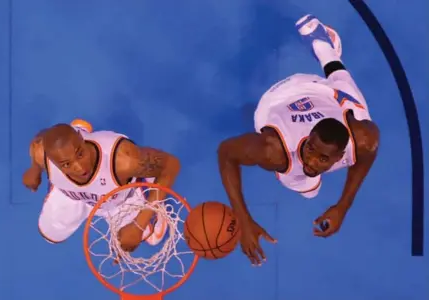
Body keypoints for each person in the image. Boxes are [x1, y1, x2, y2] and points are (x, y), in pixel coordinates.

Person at [217, 15, 380, 265]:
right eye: (311, 148)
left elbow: (365, 157)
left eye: (323, 158)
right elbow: (226, 152)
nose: (311, 160)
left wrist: (342, 206)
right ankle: (323, 47)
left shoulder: (363, 140)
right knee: (305, 186)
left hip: (324, 96)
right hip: (277, 101)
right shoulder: (274, 151)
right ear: (310, 137)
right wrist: (243, 218)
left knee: (351, 97)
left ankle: (320, 42)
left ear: (341, 157)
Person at [22, 119, 180, 252]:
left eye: (80, 154)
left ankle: (143, 185)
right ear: (53, 162)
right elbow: (40, 141)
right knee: (51, 232)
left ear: (81, 140)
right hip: (76, 196)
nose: (80, 167)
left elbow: (171, 165)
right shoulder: (43, 154)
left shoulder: (123, 160)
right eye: (67, 164)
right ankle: (79, 130)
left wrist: (139, 225)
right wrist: (34, 171)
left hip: (118, 198)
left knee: (147, 235)